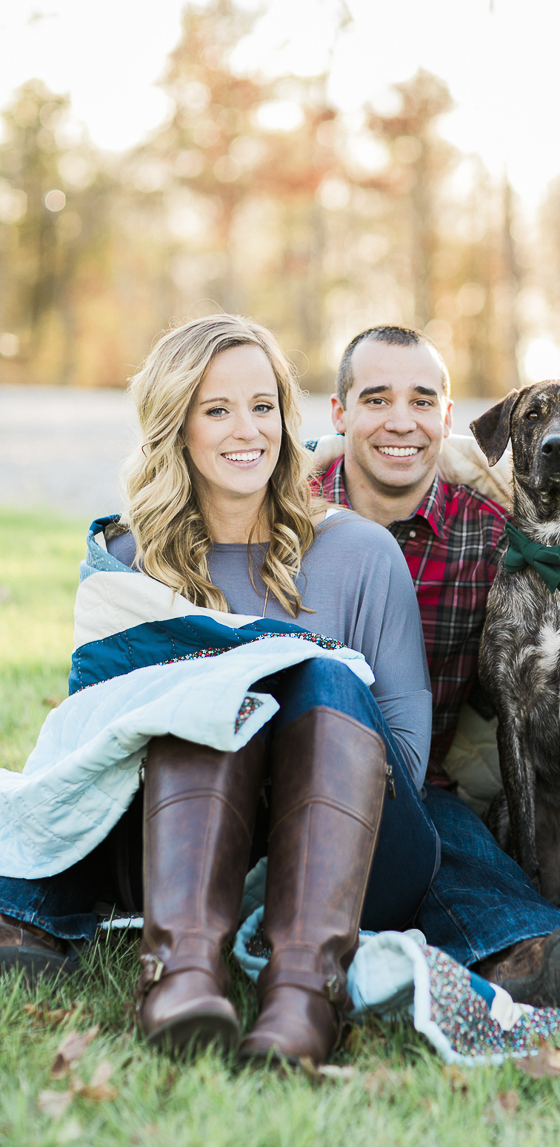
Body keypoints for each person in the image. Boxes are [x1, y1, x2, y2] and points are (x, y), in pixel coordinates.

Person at [0, 314, 439, 1065]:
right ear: (178, 426)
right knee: (204, 698)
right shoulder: (128, 562)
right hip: (177, 856)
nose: (248, 430)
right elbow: (93, 748)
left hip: (358, 856)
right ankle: (180, 976)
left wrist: (285, 680)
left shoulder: (359, 553)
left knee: (315, 674)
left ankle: (305, 994)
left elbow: (404, 767)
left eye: (263, 406)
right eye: (217, 409)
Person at [309, 325, 560, 1014]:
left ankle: (534, 957)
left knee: (460, 852)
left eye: (421, 401)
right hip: (299, 771)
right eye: (376, 397)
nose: (400, 420)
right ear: (339, 413)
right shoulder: (288, 516)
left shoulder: (492, 533)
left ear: (447, 421)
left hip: (418, 788)